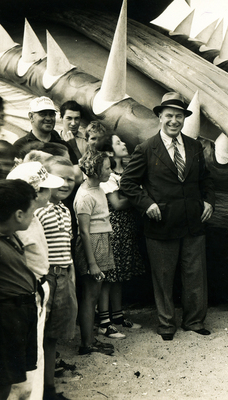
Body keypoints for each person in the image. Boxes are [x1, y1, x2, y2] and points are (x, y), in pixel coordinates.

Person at [120, 92, 215, 341]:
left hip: (193, 222)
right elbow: (128, 183)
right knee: (163, 277)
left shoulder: (194, 147)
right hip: (161, 224)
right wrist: (146, 204)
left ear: (184, 119)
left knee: (194, 274)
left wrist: (208, 201)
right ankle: (166, 324)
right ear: (160, 117)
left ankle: (194, 321)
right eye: (169, 115)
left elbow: (206, 180)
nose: (174, 120)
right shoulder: (146, 148)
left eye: (179, 116)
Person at [0, 179, 38, 400]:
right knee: (1, 383)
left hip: (19, 315)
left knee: (11, 378)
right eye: (32, 211)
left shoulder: (10, 237)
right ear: (19, 215)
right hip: (4, 319)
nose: (33, 215)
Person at [5, 161, 64, 400]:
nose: (49, 193)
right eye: (44, 189)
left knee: (37, 350)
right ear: (33, 193)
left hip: (39, 288)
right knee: (28, 358)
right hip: (27, 293)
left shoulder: (33, 217)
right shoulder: (18, 225)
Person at [35, 157, 79, 400]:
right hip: (45, 277)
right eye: (59, 178)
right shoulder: (39, 211)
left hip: (63, 277)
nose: (65, 183)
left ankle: (49, 388)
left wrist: (70, 274)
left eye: (70, 179)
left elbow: (67, 246)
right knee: (39, 335)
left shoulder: (65, 210)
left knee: (53, 335)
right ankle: (37, 390)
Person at [98, 135, 145, 329]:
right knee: (109, 277)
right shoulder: (107, 176)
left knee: (120, 276)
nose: (124, 144)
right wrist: (140, 197)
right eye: (118, 143)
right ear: (109, 152)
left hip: (126, 228)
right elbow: (116, 204)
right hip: (114, 229)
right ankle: (104, 320)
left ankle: (117, 316)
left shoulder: (125, 172)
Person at [73, 151, 118, 353]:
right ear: (95, 170)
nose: (110, 171)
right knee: (90, 295)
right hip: (92, 245)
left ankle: (90, 339)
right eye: (107, 168)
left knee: (95, 293)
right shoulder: (84, 196)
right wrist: (92, 263)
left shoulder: (98, 189)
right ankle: (86, 343)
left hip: (102, 241)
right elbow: (83, 231)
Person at [13, 97, 78, 165]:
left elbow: (75, 171)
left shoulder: (64, 146)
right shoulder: (20, 146)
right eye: (43, 114)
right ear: (31, 117)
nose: (48, 118)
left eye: (51, 114)